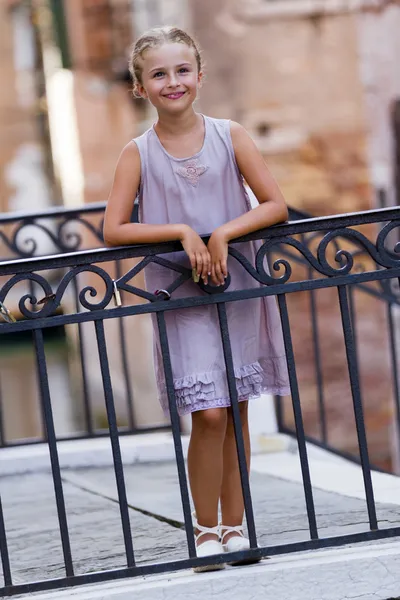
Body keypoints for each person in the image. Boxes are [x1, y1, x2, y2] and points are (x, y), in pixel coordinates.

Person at [104, 26, 290, 572]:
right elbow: (114, 227)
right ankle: (205, 532)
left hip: (238, 285)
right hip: (178, 293)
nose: (173, 81)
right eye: (158, 74)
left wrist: (223, 234)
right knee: (206, 414)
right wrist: (182, 230)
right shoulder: (136, 153)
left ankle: (237, 529)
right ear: (141, 88)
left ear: (200, 76)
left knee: (235, 409)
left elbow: (275, 204)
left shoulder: (230, 135)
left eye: (182, 70)